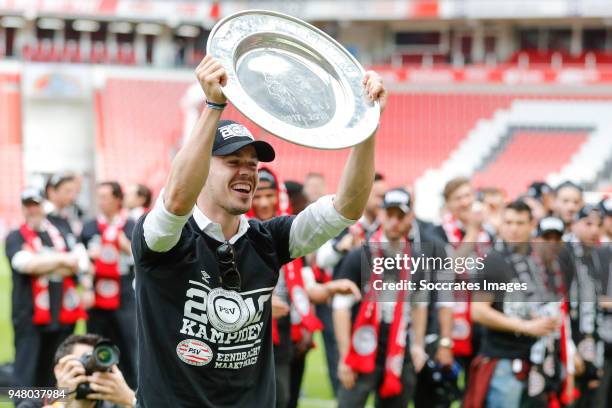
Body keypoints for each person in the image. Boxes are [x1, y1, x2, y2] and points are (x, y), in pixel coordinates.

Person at [130, 54, 387, 407]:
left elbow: (347, 207)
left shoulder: (268, 239)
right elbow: (175, 201)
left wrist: (366, 126)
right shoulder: (163, 239)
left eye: (252, 165)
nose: (248, 173)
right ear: (201, 170)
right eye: (233, 163)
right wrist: (213, 106)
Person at [249, 167, 360, 408]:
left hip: (285, 334)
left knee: (286, 399)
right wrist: (261, 303)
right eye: (257, 196)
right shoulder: (237, 236)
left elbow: (304, 289)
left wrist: (331, 289)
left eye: (269, 195)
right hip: (248, 336)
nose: (264, 202)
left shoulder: (289, 235)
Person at [333, 188, 450, 408]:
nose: (394, 222)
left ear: (411, 218)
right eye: (390, 214)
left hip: (399, 350)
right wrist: (344, 356)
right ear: (381, 214)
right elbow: (341, 307)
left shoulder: (417, 260)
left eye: (401, 216)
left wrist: (417, 345)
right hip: (361, 349)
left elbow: (419, 305)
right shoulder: (359, 255)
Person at [467, 200, 564, 408]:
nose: (514, 229)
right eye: (509, 222)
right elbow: (478, 311)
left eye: (520, 223)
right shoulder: (492, 260)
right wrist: (525, 326)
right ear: (501, 224)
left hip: (538, 360)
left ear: (531, 225)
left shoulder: (539, 260)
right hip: (504, 360)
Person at [4, 188, 88, 389]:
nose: (33, 210)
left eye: (36, 204)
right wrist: (63, 259)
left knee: (55, 369)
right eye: (28, 205)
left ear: (43, 206)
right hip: (29, 314)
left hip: (60, 314)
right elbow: (25, 264)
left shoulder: (59, 231)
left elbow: (81, 263)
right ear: (23, 209)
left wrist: (42, 260)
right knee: (27, 370)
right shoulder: (16, 236)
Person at [431, 177, 493, 387]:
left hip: (482, 319)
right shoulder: (437, 233)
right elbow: (450, 269)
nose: (465, 202)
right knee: (443, 389)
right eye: (458, 198)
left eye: (468, 195)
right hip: (448, 319)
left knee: (477, 389)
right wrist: (473, 231)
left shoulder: (489, 232)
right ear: (448, 204)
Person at [80, 182, 137, 389]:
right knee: (95, 344)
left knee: (129, 345)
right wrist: (86, 286)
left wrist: (121, 243)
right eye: (99, 197)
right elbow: (82, 261)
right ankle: (95, 390)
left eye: (105, 197)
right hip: (97, 296)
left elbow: (141, 257)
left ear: (117, 199)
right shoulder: (89, 227)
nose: (101, 201)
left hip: (124, 294)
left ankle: (131, 393)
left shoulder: (131, 225)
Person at [16, 333, 136, 408]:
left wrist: (131, 399)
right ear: (59, 370)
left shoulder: (117, 404)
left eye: (99, 365)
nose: (92, 371)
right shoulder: (36, 403)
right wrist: (63, 400)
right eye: (85, 361)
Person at [563, 204, 606, 407]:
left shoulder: (596, 254)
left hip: (591, 344)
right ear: (574, 224)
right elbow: (559, 307)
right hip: (570, 345)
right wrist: (571, 349)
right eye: (587, 223)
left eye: (598, 224)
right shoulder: (564, 253)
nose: (594, 229)